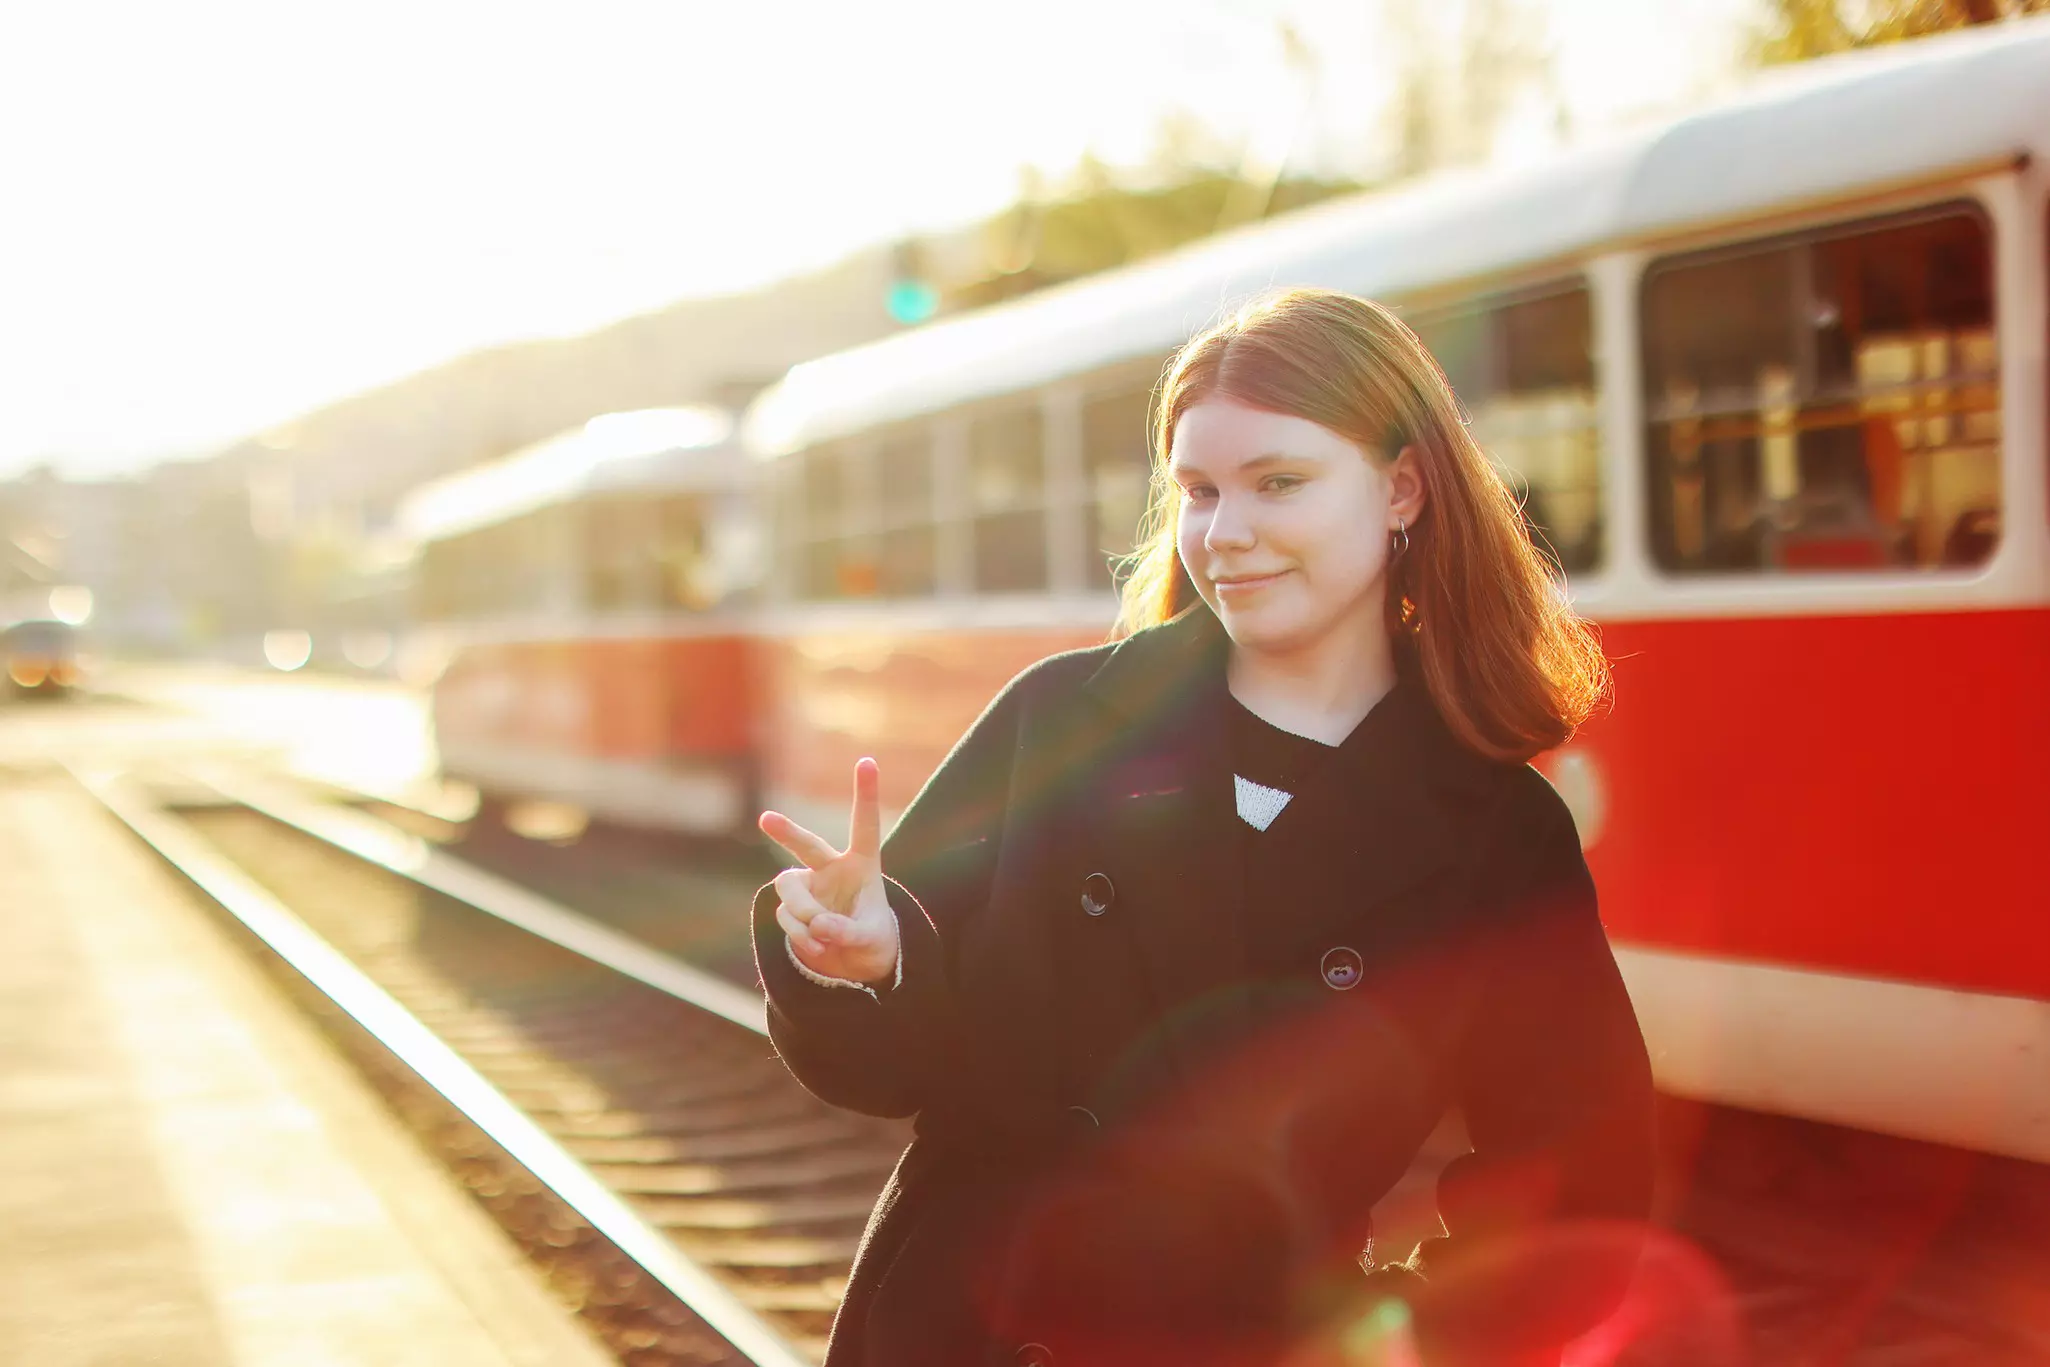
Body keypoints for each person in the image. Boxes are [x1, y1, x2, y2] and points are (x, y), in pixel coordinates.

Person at [752, 287, 1657, 1367]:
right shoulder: (1064, 718)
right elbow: (894, 1069)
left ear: (1402, 487)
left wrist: (1417, 1332)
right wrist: (871, 962)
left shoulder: (1493, 830)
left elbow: (1581, 1176)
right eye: (1199, 490)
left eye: (1279, 482)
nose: (1225, 533)